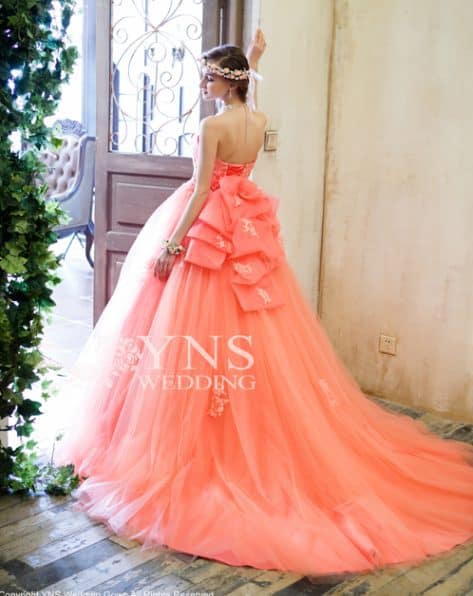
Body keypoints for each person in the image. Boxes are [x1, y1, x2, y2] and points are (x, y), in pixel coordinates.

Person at [54, 28, 473, 579]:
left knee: (186, 337)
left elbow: (200, 190)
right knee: (249, 335)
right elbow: (249, 103)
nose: (202, 84)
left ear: (226, 82)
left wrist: (173, 245)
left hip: (208, 231)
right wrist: (253, 58)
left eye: (208, 76)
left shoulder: (211, 127)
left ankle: (195, 447)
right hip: (245, 232)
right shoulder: (258, 119)